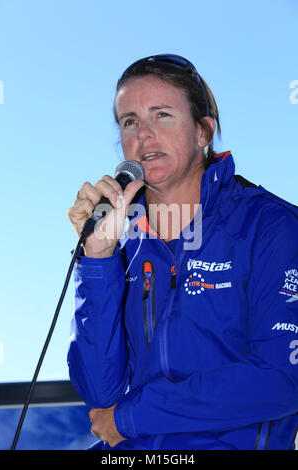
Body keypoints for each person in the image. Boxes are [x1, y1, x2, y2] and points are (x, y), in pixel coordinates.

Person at [67, 54, 298, 450]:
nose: (144, 134)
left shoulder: (271, 226)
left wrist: (134, 416)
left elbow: (283, 378)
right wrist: (98, 258)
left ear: (204, 132)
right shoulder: (122, 246)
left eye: (162, 115)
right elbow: (99, 394)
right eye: (129, 121)